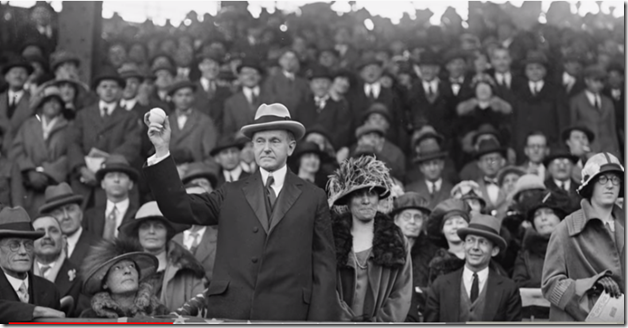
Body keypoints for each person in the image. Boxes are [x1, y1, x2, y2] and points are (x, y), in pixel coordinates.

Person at [143, 103, 338, 320]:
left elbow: (324, 268)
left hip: (289, 315)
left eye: (275, 141)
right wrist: (161, 150)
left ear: (290, 147)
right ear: (252, 147)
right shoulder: (231, 193)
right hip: (233, 313)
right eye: (259, 141)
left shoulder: (314, 196)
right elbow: (178, 207)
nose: (266, 148)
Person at [542, 152, 625, 322]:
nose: (610, 185)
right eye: (603, 179)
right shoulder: (566, 229)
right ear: (590, 184)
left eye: (615, 179)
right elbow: (550, 285)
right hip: (586, 319)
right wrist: (591, 283)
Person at [327, 155, 411, 322]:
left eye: (371, 193)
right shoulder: (330, 239)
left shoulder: (396, 239)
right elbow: (325, 289)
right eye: (358, 194)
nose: (366, 200)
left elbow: (401, 292)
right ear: (348, 200)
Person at [67, 67, 141, 210]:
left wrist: (106, 166)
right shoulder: (84, 114)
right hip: (84, 178)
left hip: (114, 176)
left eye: (113, 87)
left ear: (120, 91)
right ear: (97, 90)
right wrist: (81, 168)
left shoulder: (129, 117)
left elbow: (132, 145)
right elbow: (73, 143)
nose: (108, 90)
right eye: (104, 86)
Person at [424, 214, 522, 322]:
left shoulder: (508, 289)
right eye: (470, 240)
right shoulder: (440, 285)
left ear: (494, 251)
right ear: (463, 245)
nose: (475, 247)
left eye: (483, 242)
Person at [118, 201, 205, 312]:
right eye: (145, 227)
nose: (151, 231)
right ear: (137, 233)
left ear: (167, 232)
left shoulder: (188, 272)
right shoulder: (123, 272)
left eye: (158, 227)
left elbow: (200, 315)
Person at [10, 87, 69, 219]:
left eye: (56, 102)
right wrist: (30, 171)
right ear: (41, 105)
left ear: (61, 107)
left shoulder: (68, 127)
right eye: (48, 101)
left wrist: (47, 172)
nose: (52, 105)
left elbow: (69, 155)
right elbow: (17, 151)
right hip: (29, 183)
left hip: (53, 183)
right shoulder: (28, 125)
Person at [79, 238, 168, 318]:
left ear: (138, 276)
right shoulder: (90, 317)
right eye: (118, 268)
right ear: (105, 283)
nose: (127, 271)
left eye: (131, 266)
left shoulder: (159, 312)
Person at [0, 207, 61, 314]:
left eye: (28, 244)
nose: (23, 251)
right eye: (14, 245)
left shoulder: (50, 289)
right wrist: (36, 311)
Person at [391, 192, 439, 322]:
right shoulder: (386, 250)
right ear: (396, 220)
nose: (412, 222)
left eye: (417, 217)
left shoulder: (434, 253)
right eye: (407, 217)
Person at [32, 215, 86, 316]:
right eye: (40, 231)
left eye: (53, 231)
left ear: (64, 240)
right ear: (30, 242)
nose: (47, 236)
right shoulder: (18, 274)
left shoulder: (82, 277)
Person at [39, 183, 101, 264]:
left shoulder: (98, 247)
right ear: (50, 219)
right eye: (58, 212)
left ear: (80, 213)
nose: (66, 217)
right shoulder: (44, 248)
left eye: (70, 209)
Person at [83, 155, 139, 240]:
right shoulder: (89, 216)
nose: (116, 180)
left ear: (130, 184)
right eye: (110, 176)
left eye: (121, 176)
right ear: (103, 183)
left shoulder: (138, 216)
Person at [569, 65, 620, 157]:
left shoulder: (608, 102)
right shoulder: (576, 101)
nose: (599, 85)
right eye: (595, 81)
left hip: (608, 149)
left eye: (602, 82)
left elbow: (612, 130)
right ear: (586, 80)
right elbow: (573, 127)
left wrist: (617, 153)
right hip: (587, 149)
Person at [172, 185, 218, 283]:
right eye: (188, 200)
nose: (193, 205)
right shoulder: (173, 240)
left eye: (198, 199)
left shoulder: (222, 237)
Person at [166, 80, 218, 165]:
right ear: (173, 98)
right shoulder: (166, 122)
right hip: (171, 172)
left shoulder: (204, 121)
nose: (184, 98)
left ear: (194, 97)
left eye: (187, 95)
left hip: (195, 172)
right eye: (180, 95)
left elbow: (210, 156)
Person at [222, 59, 270, 136]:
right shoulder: (231, 102)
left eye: (254, 73)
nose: (250, 76)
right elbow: (227, 132)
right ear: (239, 77)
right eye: (246, 73)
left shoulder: (272, 99)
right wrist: (236, 136)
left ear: (260, 76)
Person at [405, 136, 453, 210]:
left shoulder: (452, 190)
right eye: (427, 164)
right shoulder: (411, 190)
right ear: (421, 168)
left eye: (435, 163)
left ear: (442, 165)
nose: (432, 168)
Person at [0, 57, 34, 154]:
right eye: (14, 72)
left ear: (27, 78)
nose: (18, 75)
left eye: (22, 73)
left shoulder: (34, 102)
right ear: (7, 77)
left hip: (22, 153)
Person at [263, 49, 311, 117]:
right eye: (286, 58)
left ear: (297, 62)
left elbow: (306, 101)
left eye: (293, 59)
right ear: (280, 61)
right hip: (278, 119)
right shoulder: (271, 81)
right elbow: (269, 101)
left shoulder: (302, 82)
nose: (289, 62)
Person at [193, 53, 232, 133]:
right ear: (200, 66)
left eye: (216, 64)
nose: (213, 67)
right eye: (208, 63)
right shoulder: (192, 90)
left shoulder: (226, 92)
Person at [474, 138, 508, 215]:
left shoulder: (511, 184)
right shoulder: (474, 188)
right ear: (479, 164)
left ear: (502, 161)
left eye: (493, 159)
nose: (489, 163)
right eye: (485, 159)